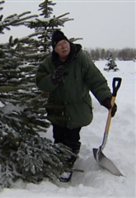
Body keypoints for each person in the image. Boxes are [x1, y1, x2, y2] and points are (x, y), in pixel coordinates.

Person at [35, 30, 117, 182]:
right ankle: (58, 160)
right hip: (57, 110)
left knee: (72, 137)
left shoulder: (81, 59)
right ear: (54, 49)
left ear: (69, 42)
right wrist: (52, 80)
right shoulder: (49, 63)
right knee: (59, 137)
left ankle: (68, 164)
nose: (63, 47)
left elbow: (95, 80)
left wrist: (106, 98)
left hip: (77, 109)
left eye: (65, 43)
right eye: (59, 45)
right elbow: (40, 82)